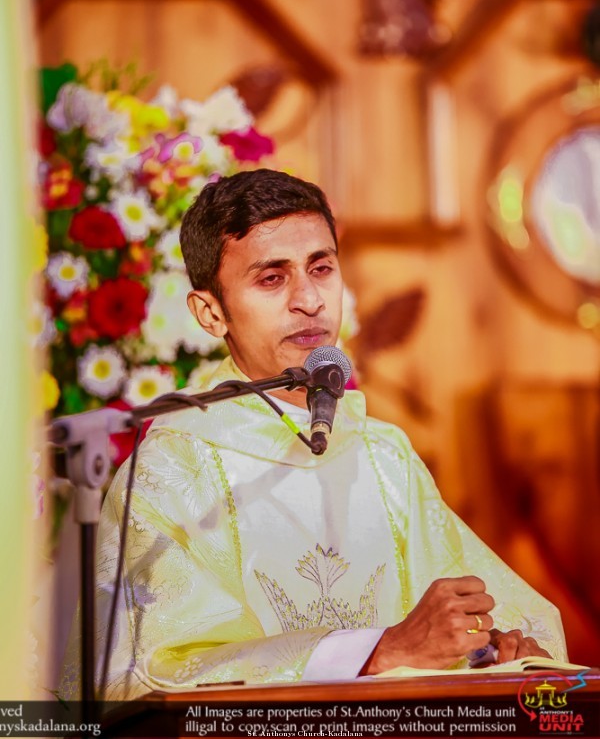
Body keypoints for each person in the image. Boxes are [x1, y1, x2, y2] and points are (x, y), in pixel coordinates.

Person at [61, 169, 566, 701]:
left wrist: (493, 649)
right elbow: (145, 673)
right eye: (271, 279)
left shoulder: (383, 455)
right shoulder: (171, 470)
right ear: (210, 313)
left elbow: (480, 619)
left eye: (321, 268)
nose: (310, 299)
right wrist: (377, 652)